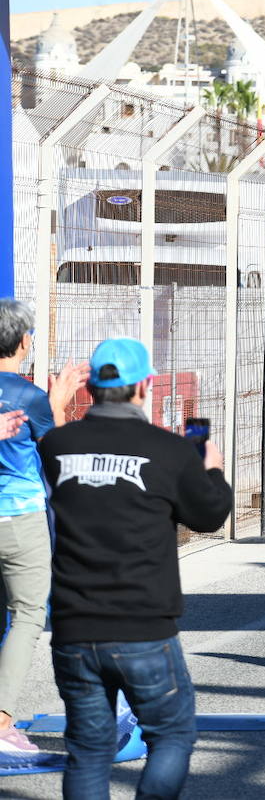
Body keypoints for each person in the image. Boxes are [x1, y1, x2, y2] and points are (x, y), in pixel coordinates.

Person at [38, 337, 232, 798]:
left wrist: (56, 406)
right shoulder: (169, 449)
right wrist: (212, 469)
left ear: (90, 387)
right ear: (145, 385)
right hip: (143, 624)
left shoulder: (58, 445)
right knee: (172, 735)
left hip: (73, 626)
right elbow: (208, 515)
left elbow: (47, 452)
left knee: (88, 749)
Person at [0, 299, 84, 762]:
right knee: (28, 613)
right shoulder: (26, 394)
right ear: (23, 341)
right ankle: (1, 720)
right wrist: (57, 403)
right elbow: (55, 451)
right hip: (19, 518)